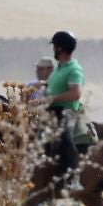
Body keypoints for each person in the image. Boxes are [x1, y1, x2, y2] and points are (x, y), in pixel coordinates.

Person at [29, 30, 85, 178]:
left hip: (66, 111)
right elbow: (56, 86)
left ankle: (74, 176)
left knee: (64, 137)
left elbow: (75, 93)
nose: (53, 49)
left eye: (55, 46)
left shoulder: (74, 69)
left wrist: (51, 99)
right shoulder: (59, 68)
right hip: (50, 111)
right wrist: (43, 84)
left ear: (61, 48)